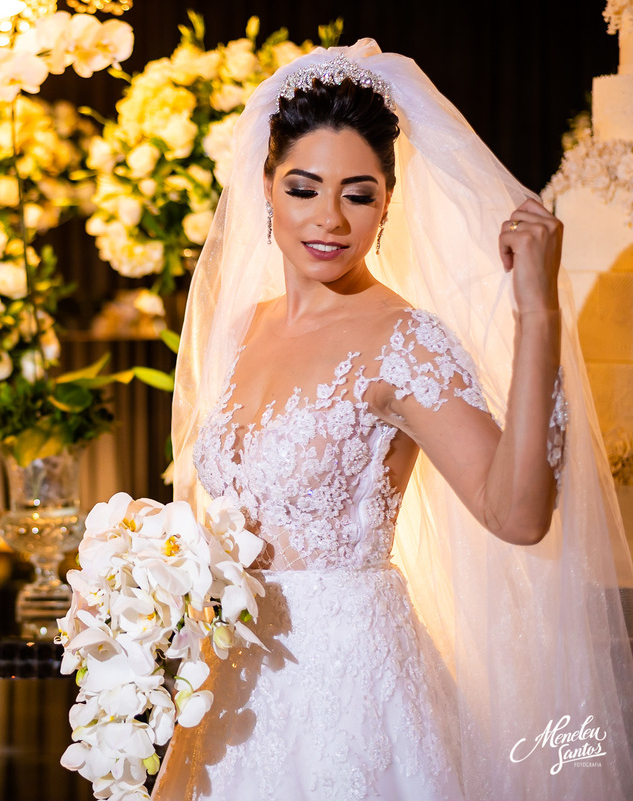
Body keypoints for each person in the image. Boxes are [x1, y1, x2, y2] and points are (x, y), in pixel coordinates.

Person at [156, 40, 633, 800]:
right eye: (304, 188)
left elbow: (517, 515)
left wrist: (537, 309)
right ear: (267, 187)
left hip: (351, 693)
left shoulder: (404, 340)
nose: (330, 219)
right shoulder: (239, 324)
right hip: (232, 685)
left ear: (388, 201)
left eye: (359, 193)